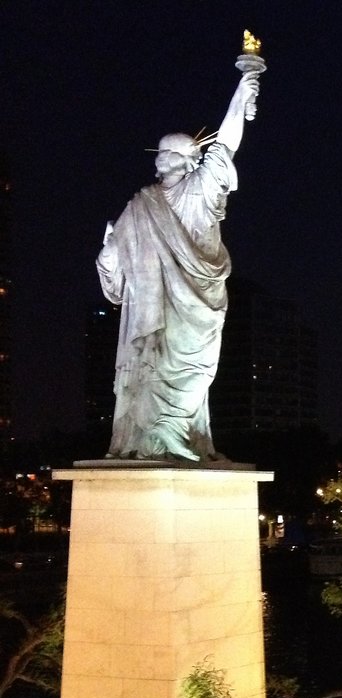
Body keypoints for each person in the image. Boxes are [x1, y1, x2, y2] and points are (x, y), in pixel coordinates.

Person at [95, 63, 262, 461]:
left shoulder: (201, 190)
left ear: (187, 159)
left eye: (169, 154)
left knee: (196, 369)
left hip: (196, 300)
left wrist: (243, 91)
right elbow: (114, 262)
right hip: (154, 307)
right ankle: (153, 436)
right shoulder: (141, 204)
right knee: (152, 363)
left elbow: (227, 144)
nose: (161, 160)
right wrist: (106, 256)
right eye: (160, 154)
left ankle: (179, 431)